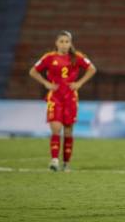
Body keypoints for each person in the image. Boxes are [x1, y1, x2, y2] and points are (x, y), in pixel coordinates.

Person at [29, 30, 96, 172]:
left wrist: (80, 83)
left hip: (70, 98)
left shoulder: (77, 57)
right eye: (62, 41)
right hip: (55, 97)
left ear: (70, 43)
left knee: (68, 132)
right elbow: (33, 71)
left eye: (67, 42)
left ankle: (66, 163)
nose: (64, 44)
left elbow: (92, 69)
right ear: (56, 43)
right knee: (56, 129)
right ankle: (54, 160)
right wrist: (45, 83)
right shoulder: (49, 57)